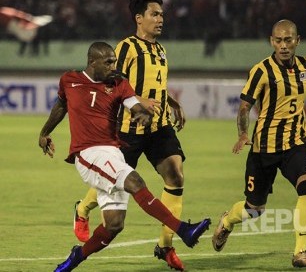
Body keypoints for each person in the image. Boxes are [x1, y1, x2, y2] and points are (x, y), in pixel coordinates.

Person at [38, 41, 211, 272]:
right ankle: (183, 230)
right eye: (108, 62)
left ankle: (75, 258)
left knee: (114, 225)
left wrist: (143, 115)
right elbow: (61, 106)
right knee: (135, 182)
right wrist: (45, 133)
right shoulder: (69, 79)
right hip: (88, 152)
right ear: (92, 62)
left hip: (113, 153)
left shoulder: (119, 83)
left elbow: (135, 106)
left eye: (114, 61)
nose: (113, 66)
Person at [211, 20, 306, 268]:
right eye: (278, 40)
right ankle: (227, 221)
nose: (283, 46)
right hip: (263, 149)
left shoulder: (304, 65)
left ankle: (301, 252)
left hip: (296, 144)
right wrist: (242, 134)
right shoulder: (261, 71)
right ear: (272, 42)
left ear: (297, 41)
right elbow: (245, 106)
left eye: (288, 40)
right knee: (254, 210)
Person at [73, 0, 189, 270]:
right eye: (155, 14)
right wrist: (137, 101)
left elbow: (155, 86)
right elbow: (110, 83)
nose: (160, 19)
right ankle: (82, 208)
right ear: (139, 18)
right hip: (128, 129)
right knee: (114, 182)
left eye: (162, 14)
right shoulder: (126, 48)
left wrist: (171, 102)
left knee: (175, 175)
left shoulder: (160, 50)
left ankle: (166, 245)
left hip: (158, 126)